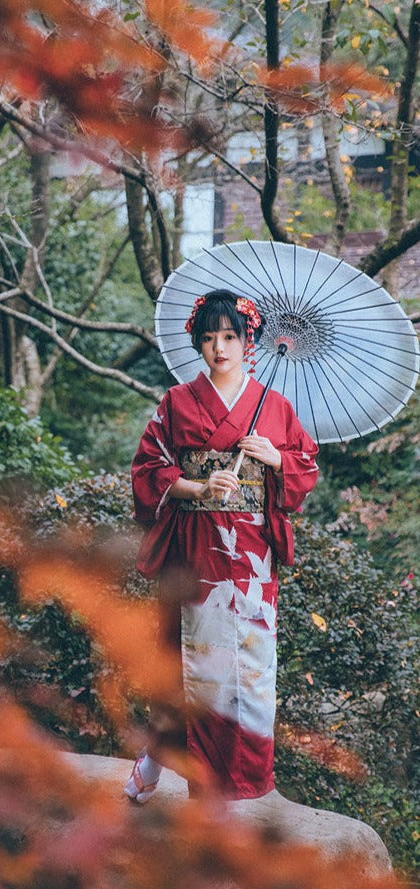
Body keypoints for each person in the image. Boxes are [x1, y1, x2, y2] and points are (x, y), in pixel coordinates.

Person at [124, 289, 319, 803]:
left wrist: (276, 459)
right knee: (187, 662)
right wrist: (197, 487)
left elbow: (307, 467)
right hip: (195, 552)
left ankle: (235, 781)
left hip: (253, 558)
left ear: (248, 340)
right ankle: (163, 759)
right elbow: (148, 468)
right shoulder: (177, 403)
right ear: (197, 344)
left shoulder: (274, 408)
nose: (220, 348)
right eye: (209, 338)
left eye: (230, 336)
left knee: (249, 668)